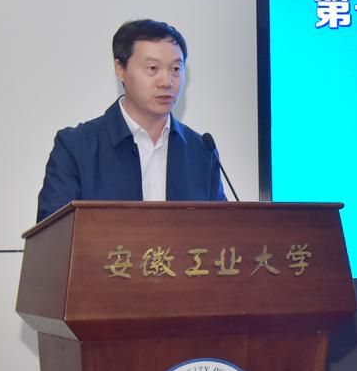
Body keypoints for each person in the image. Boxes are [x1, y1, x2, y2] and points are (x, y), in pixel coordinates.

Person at [36, 19, 226, 222]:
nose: (166, 82)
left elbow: (221, 231)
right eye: (152, 68)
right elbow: (54, 235)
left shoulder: (202, 152)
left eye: (176, 69)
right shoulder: (76, 147)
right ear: (120, 69)